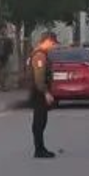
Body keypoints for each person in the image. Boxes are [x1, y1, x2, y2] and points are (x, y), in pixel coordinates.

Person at [29, 31, 59, 159]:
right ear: (47, 41)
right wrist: (46, 92)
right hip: (39, 92)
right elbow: (39, 78)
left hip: (39, 91)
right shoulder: (39, 56)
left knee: (41, 120)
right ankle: (39, 149)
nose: (53, 46)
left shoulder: (41, 54)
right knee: (39, 121)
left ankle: (41, 148)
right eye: (53, 43)